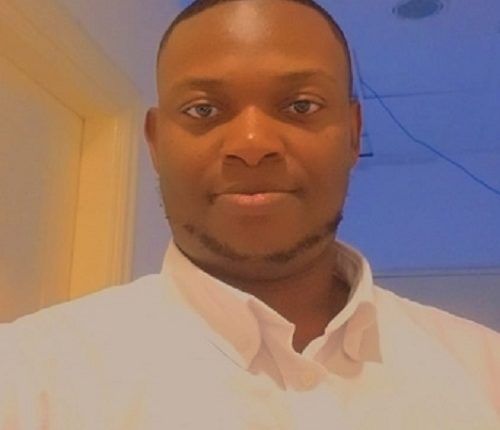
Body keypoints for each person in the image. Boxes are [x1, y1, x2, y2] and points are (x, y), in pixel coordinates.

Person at [1, 0, 499, 428]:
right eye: (203, 110)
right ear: (155, 142)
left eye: (301, 106)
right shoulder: (27, 381)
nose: (253, 144)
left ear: (352, 132)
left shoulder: (484, 372)